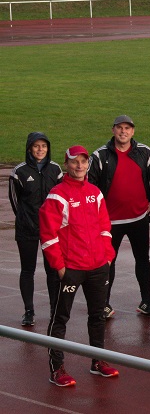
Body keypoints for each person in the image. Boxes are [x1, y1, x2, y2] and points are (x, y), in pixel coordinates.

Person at [40, 146, 119, 387]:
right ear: (66, 164)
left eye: (83, 162)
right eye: (75, 162)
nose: (80, 166)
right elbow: (47, 234)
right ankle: (57, 368)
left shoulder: (95, 193)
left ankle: (98, 360)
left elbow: (105, 226)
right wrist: (59, 266)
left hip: (97, 266)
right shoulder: (57, 195)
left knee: (97, 316)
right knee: (60, 317)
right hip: (70, 269)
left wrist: (108, 255)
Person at [88, 115, 150, 320]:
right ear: (113, 130)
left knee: (143, 259)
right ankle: (104, 304)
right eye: (120, 128)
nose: (123, 132)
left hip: (138, 218)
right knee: (108, 262)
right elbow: (89, 185)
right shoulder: (100, 156)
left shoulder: (146, 153)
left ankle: (146, 301)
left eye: (127, 128)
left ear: (133, 131)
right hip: (110, 222)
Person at [8, 132, 62, 327]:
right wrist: (25, 220)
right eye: (36, 146)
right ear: (29, 148)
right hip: (27, 229)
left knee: (53, 270)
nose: (40, 150)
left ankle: (54, 308)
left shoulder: (55, 170)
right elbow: (15, 201)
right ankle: (29, 311)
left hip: (50, 230)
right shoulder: (19, 172)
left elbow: (60, 199)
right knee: (27, 269)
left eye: (44, 146)